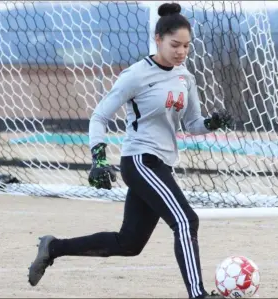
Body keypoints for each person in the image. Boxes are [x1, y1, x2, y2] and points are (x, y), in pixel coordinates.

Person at [28, 3, 232, 298]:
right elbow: (99, 116)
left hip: (161, 163)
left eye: (187, 46)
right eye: (175, 44)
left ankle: (54, 247)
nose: (181, 51)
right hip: (140, 161)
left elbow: (192, 123)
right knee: (186, 221)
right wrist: (98, 159)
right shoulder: (135, 75)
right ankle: (198, 294)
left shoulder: (186, 78)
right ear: (158, 38)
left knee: (129, 244)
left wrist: (212, 123)